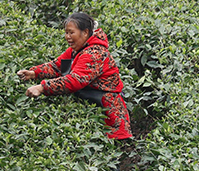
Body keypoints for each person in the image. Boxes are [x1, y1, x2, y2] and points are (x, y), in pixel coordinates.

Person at [17, 11, 133, 141]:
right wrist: (33, 73)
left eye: (71, 32)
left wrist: (42, 87)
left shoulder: (95, 53)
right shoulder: (77, 49)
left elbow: (75, 81)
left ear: (85, 32)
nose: (67, 37)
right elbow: (57, 66)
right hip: (92, 109)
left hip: (108, 114)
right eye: (66, 32)